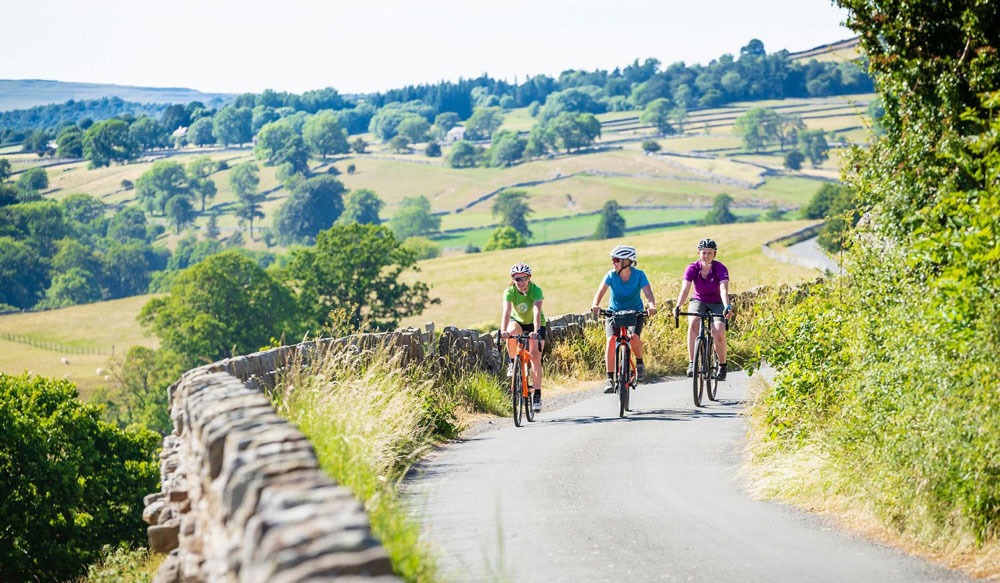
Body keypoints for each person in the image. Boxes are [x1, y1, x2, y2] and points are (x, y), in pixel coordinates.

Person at [590, 244, 657, 393]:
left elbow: (648, 294)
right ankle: (609, 378)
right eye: (613, 260)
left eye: (616, 260)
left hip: (635, 313)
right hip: (614, 313)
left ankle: (639, 363)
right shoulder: (610, 275)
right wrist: (595, 304)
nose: (613, 263)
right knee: (611, 340)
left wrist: (651, 305)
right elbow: (600, 292)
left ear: (627, 261)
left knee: (633, 337)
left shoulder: (639, 275)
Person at [673, 238, 734, 381]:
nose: (706, 256)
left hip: (717, 302)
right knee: (693, 322)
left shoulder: (720, 268)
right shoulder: (692, 268)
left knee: (718, 331)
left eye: (709, 253)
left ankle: (723, 365)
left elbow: (723, 289)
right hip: (699, 300)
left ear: (714, 254)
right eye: (703, 253)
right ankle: (692, 363)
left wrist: (726, 306)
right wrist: (678, 306)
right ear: (699, 253)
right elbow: (685, 289)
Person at [500, 262, 546, 412]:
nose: (521, 282)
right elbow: (506, 312)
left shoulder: (536, 290)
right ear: (513, 279)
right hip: (518, 321)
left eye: (524, 278)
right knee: (511, 333)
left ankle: (537, 396)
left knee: (535, 357)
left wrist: (536, 331)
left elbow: (536, 312)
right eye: (517, 278)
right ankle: (513, 362)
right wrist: (502, 331)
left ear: (529, 278)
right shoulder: (509, 291)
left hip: (535, 324)